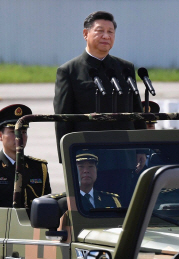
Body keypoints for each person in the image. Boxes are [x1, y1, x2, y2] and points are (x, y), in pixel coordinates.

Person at [54, 11, 143, 161]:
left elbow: (137, 112)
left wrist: (142, 149)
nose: (106, 36)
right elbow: (63, 120)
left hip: (124, 155)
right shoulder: (69, 71)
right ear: (85, 34)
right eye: (100, 31)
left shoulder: (125, 68)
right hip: (88, 156)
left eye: (110, 32)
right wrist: (66, 157)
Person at [0, 104, 52, 208]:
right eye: (13, 132)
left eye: (23, 132)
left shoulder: (39, 167)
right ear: (0, 136)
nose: (19, 137)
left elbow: (47, 207)